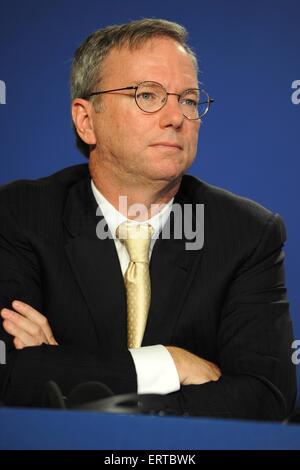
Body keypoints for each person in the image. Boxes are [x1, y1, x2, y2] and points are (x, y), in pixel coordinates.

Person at [0, 18, 296, 420]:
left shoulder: (247, 233)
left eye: (189, 99)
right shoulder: (18, 215)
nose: (176, 117)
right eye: (147, 95)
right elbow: (8, 375)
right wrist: (166, 365)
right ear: (87, 121)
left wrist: (66, 369)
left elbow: (265, 398)